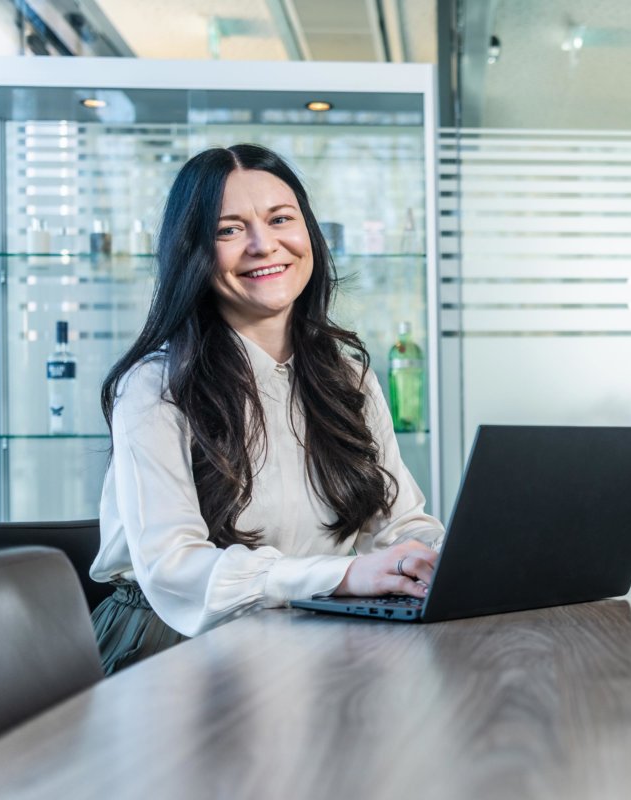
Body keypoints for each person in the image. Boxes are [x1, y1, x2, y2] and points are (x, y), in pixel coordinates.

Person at [90, 143, 444, 674]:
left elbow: (400, 526)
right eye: (228, 229)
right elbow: (174, 569)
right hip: (168, 645)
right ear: (194, 252)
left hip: (306, 631)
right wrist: (343, 577)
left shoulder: (349, 377)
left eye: (281, 219)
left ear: (310, 236)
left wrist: (459, 563)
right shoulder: (155, 387)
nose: (263, 244)